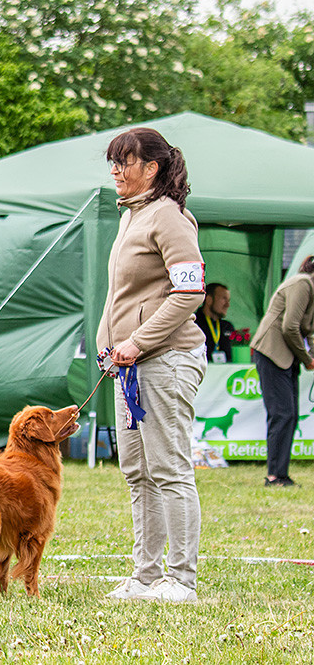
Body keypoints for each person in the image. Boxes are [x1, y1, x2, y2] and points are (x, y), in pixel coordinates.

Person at [97, 127, 206, 603]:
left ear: (152, 168)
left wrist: (137, 341)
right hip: (129, 369)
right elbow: (123, 296)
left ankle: (181, 580)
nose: (115, 171)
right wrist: (109, 345)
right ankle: (145, 577)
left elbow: (189, 292)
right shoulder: (131, 216)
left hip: (167, 360)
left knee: (169, 470)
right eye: (113, 162)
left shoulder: (170, 217)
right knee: (138, 473)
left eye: (124, 161)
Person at [250, 256, 314, 487]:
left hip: (286, 357)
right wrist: (307, 359)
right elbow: (290, 327)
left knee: (290, 415)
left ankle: (280, 474)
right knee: (282, 414)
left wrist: (311, 356)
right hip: (272, 353)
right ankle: (274, 476)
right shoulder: (302, 283)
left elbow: (308, 330)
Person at [195, 282, 235, 363]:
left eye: (228, 300)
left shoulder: (227, 327)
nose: (227, 305)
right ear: (209, 300)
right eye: (224, 299)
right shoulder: (194, 324)